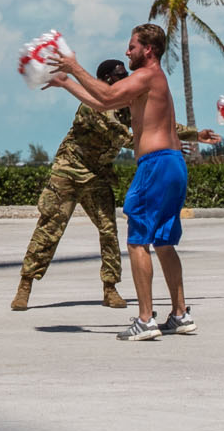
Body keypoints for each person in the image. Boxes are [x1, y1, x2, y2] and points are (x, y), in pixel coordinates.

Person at [50, 24, 200, 341]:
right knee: (163, 242)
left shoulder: (146, 76)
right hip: (173, 164)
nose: (126, 51)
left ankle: (146, 320)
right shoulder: (151, 81)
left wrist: (74, 66)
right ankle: (179, 314)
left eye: (131, 46)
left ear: (148, 49)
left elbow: (106, 93)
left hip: (155, 165)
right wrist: (66, 83)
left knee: (136, 241)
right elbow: (105, 104)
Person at [14, 58, 134, 312]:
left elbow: (156, 124)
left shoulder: (126, 106)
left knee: (108, 230)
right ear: (105, 80)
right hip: (68, 173)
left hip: (97, 175)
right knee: (49, 230)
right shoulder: (93, 105)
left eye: (125, 74)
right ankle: (25, 285)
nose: (124, 78)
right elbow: (124, 135)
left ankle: (110, 288)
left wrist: (191, 134)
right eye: (118, 75)